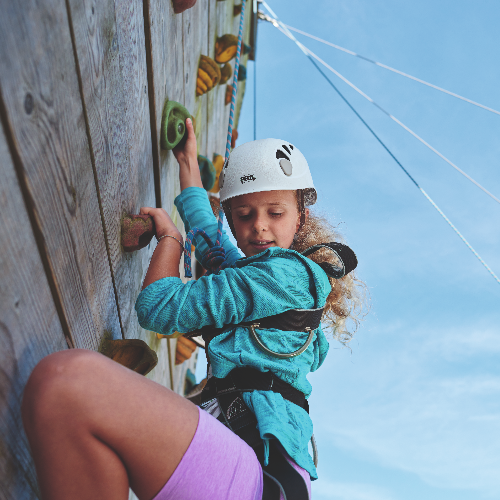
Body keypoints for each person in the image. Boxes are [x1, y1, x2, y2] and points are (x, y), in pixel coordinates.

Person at [21, 119, 365, 500]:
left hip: (262, 472)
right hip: (257, 461)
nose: (259, 228)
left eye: (275, 213)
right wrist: (188, 164)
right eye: (244, 215)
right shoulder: (261, 274)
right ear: (232, 219)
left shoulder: (282, 277)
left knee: (68, 383)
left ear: (300, 215)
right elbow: (209, 234)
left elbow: (159, 307)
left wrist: (170, 240)